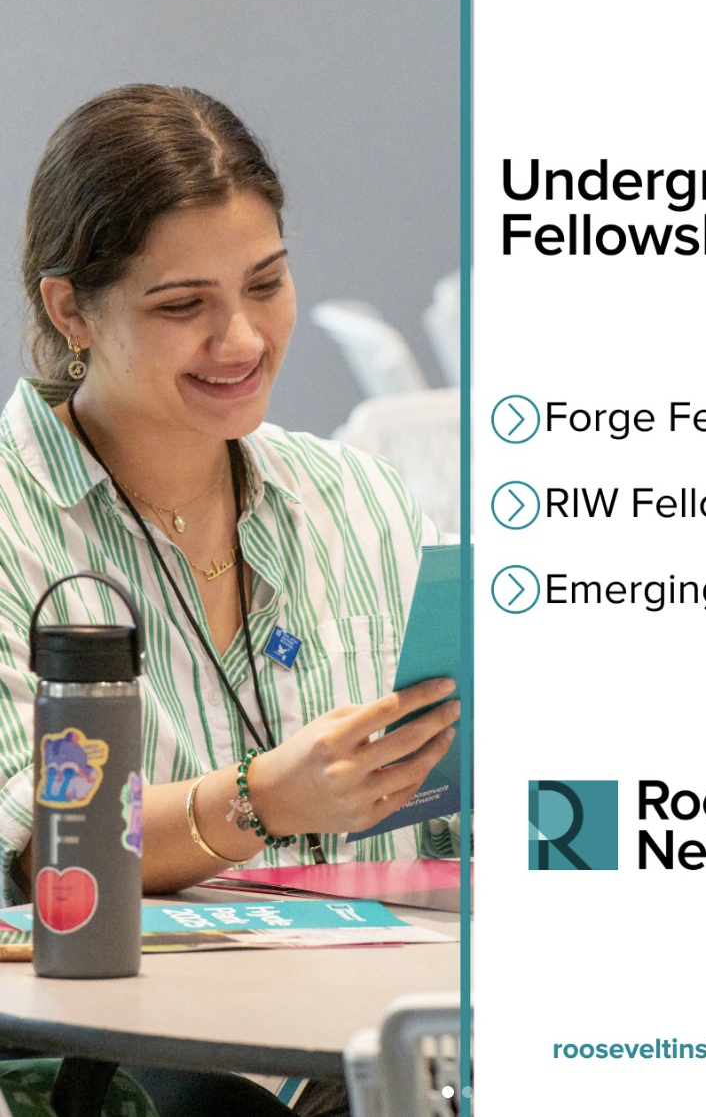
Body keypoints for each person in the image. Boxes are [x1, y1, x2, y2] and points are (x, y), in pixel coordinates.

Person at [0, 85, 460, 1116]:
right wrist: (261, 800)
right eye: (182, 305)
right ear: (70, 307)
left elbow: (444, 830)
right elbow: (34, 854)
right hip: (120, 1068)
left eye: (266, 283)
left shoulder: (354, 501)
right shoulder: (15, 525)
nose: (243, 338)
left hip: (372, 1054)